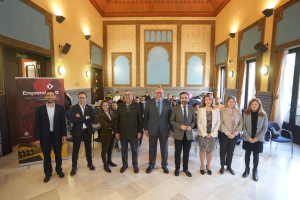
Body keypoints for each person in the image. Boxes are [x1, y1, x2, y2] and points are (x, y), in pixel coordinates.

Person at [34, 90, 67, 183]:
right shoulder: (39, 109)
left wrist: (64, 134)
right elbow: (37, 125)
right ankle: (48, 174)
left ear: (55, 97)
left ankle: (59, 170)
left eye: (52, 95)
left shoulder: (60, 108)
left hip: (57, 135)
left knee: (58, 155)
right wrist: (37, 138)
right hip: (45, 137)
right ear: (45, 97)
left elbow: (63, 123)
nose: (50, 97)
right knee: (46, 156)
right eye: (48, 95)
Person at [144, 87, 173, 174]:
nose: (159, 94)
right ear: (154, 93)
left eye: (161, 93)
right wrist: (146, 129)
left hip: (164, 129)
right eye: (157, 93)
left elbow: (170, 117)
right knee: (152, 148)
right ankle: (151, 164)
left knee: (164, 149)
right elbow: (146, 117)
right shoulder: (149, 103)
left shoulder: (168, 103)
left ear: (163, 94)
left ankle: (164, 165)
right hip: (152, 129)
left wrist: (171, 129)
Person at [114, 90, 143, 173]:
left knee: (134, 150)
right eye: (126, 95)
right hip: (123, 133)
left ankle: (135, 165)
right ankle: (125, 165)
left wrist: (140, 131)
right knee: (124, 150)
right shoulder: (120, 106)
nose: (127, 96)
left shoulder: (137, 106)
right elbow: (117, 121)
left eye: (129, 95)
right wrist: (116, 132)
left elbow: (140, 120)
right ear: (123, 96)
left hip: (134, 133)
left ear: (132, 96)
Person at [170, 92, 196, 177]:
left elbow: (194, 121)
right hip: (178, 134)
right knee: (177, 152)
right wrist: (180, 126)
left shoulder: (192, 109)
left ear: (188, 99)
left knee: (186, 153)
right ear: (180, 99)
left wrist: (191, 126)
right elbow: (172, 121)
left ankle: (185, 168)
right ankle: (177, 168)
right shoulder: (175, 109)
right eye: (182, 98)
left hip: (188, 134)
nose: (184, 99)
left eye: (186, 98)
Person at [242, 98, 268, 181]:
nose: (254, 106)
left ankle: (255, 171)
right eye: (252, 104)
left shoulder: (263, 114)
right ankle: (247, 169)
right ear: (250, 105)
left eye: (256, 104)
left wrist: (257, 138)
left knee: (256, 155)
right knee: (247, 154)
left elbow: (265, 128)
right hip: (248, 138)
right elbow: (243, 127)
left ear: (259, 105)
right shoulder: (246, 113)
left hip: (258, 139)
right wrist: (249, 137)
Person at [70, 92, 95, 176]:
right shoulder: (74, 108)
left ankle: (90, 163)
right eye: (80, 97)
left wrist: (79, 117)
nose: (82, 99)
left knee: (88, 149)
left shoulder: (90, 107)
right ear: (78, 99)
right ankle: (74, 166)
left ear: (86, 99)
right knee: (75, 150)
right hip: (77, 132)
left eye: (83, 98)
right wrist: (85, 117)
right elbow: (73, 120)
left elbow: (92, 119)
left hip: (87, 131)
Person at [219, 96, 243, 175]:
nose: (232, 103)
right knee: (223, 150)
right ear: (227, 102)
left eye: (233, 101)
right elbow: (220, 123)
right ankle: (222, 166)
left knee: (231, 151)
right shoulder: (222, 110)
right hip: (224, 134)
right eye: (230, 101)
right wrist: (228, 133)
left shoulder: (238, 111)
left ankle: (229, 166)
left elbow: (241, 124)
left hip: (234, 135)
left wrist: (235, 133)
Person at [197, 94, 220, 175]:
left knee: (209, 151)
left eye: (209, 100)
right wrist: (204, 133)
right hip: (203, 133)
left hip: (212, 134)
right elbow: (198, 122)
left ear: (212, 101)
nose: (208, 101)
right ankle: (202, 166)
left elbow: (218, 123)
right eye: (206, 100)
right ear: (204, 101)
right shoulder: (200, 110)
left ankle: (208, 166)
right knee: (202, 150)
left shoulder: (216, 110)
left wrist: (212, 133)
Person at [98, 100, 117, 173]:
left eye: (107, 105)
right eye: (104, 105)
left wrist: (110, 124)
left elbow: (115, 122)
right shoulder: (100, 115)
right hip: (105, 135)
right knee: (104, 150)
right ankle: (105, 165)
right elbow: (105, 125)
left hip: (112, 134)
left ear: (109, 106)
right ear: (101, 107)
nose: (106, 106)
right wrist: (112, 124)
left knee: (110, 149)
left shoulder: (111, 113)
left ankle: (109, 161)